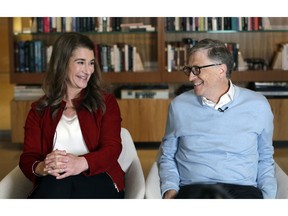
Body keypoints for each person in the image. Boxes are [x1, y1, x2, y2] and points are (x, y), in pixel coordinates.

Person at [158, 38, 277, 199]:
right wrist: (170, 189)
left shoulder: (258, 105)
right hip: (194, 189)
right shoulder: (179, 106)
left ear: (221, 70)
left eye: (197, 69)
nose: (191, 77)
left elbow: (265, 157)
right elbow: (167, 156)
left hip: (243, 190)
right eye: (189, 70)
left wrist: (268, 198)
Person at [19, 32, 125, 199]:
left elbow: (112, 149)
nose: (88, 70)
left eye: (91, 63)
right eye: (80, 62)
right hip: (55, 180)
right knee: (57, 182)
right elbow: (28, 157)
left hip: (99, 177)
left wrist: (80, 163)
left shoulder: (106, 102)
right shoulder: (39, 109)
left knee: (59, 185)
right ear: (62, 64)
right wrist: (42, 166)